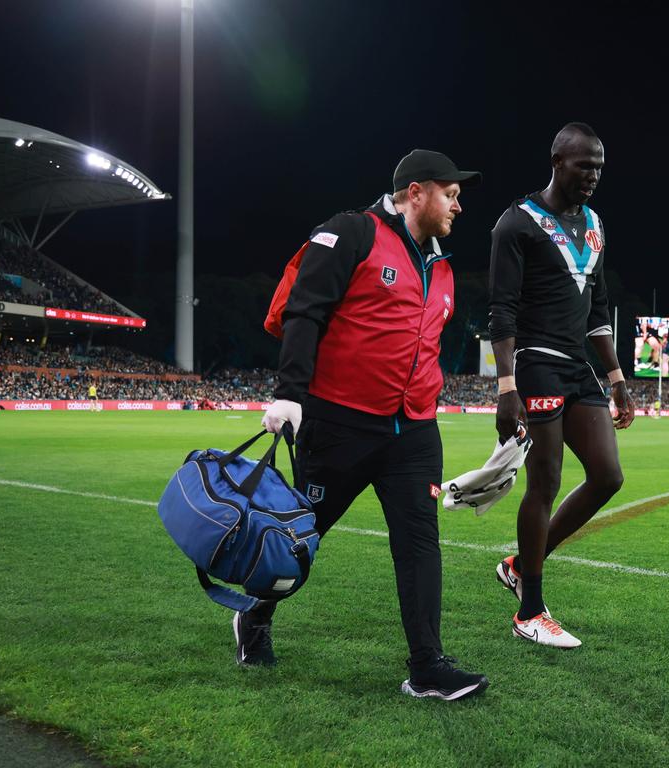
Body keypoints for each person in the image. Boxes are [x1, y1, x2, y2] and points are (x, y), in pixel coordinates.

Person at [255, 150, 488, 701]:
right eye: (450, 192)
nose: (459, 202)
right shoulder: (351, 234)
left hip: (414, 431)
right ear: (415, 192)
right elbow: (304, 310)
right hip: (340, 423)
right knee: (298, 540)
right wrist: (290, 395)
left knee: (419, 541)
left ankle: (428, 665)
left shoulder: (443, 266)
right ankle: (255, 615)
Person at [488, 122, 634, 649]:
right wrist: (507, 388)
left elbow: (596, 310)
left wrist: (617, 379)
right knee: (545, 481)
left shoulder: (595, 225)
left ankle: (519, 564)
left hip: (579, 368)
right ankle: (530, 611)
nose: (593, 175)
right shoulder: (516, 223)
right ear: (557, 161)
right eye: (583, 164)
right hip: (537, 364)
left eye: (599, 166)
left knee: (607, 475)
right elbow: (500, 311)